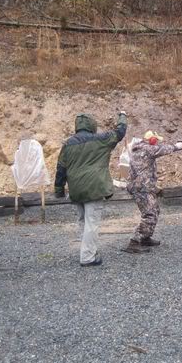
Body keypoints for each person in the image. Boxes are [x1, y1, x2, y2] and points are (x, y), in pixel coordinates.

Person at [55, 112, 127, 266]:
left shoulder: (68, 144)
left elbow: (60, 168)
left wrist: (59, 190)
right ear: (92, 125)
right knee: (91, 223)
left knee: (82, 221)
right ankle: (88, 257)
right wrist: (122, 115)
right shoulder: (100, 139)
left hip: (76, 189)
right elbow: (120, 132)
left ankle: (87, 250)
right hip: (94, 188)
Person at [124, 131, 182, 253]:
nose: (156, 142)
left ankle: (145, 237)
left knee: (155, 210)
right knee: (150, 214)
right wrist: (177, 146)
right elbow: (161, 149)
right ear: (151, 140)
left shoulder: (141, 149)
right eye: (155, 140)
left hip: (143, 186)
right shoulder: (146, 149)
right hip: (142, 187)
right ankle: (134, 242)